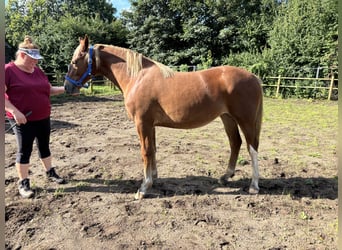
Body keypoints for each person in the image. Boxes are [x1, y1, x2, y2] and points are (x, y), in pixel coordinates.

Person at [5, 35, 66, 198]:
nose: (36, 62)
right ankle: (23, 182)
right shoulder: (8, 70)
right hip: (23, 119)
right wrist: (14, 111)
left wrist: (67, 88)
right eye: (33, 59)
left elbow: (49, 90)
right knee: (24, 150)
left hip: (43, 116)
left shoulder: (38, 71)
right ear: (22, 55)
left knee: (44, 146)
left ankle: (50, 171)